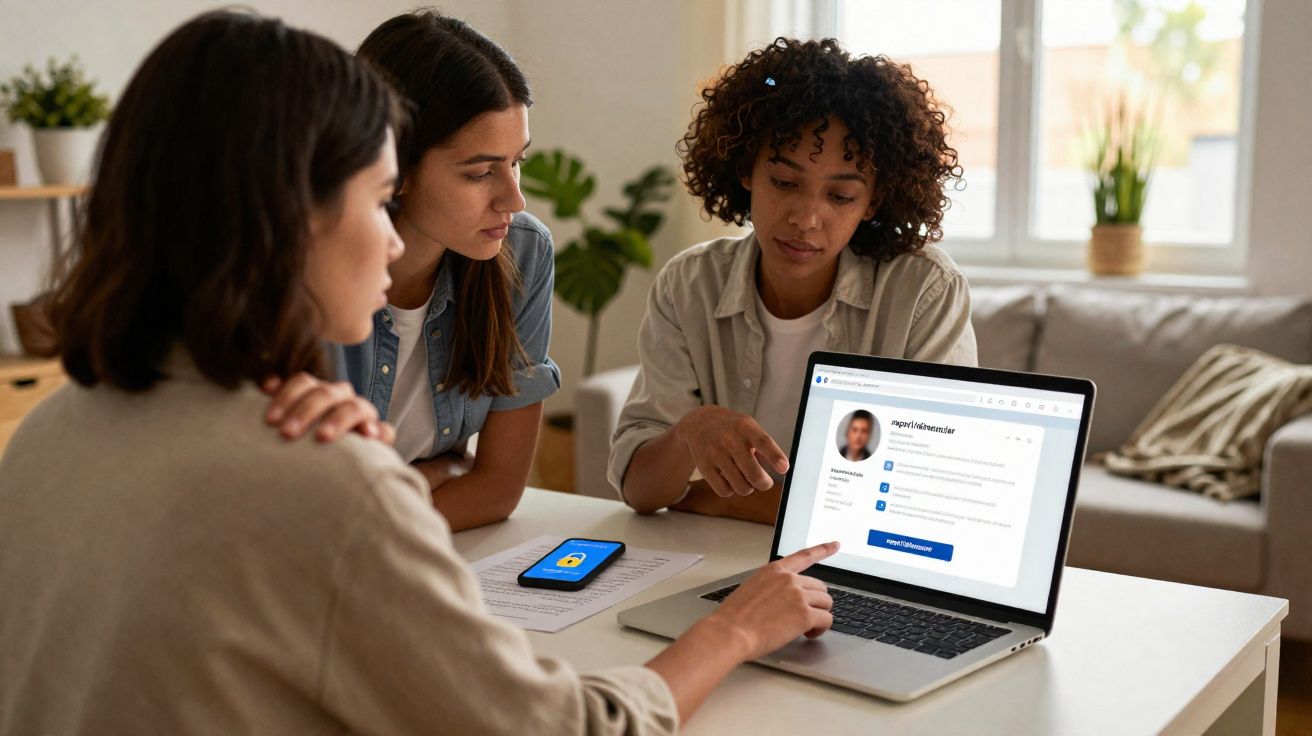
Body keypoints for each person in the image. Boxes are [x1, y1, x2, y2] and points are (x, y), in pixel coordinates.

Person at [0, 12, 838, 733]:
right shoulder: (325, 485)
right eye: (377, 197)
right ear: (289, 219)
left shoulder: (51, 433)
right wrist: (732, 629)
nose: (394, 239)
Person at [611, 38, 978, 524]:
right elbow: (640, 490)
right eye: (785, 183)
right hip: (710, 558)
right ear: (746, 169)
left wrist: (716, 501)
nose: (806, 219)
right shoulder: (690, 284)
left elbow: (917, 500)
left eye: (841, 196)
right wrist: (689, 432)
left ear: (873, 202)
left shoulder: (924, 292)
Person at [268, 10, 559, 532]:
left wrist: (382, 512)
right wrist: (439, 475)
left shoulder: (523, 253)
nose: (513, 198)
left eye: (517, 162)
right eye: (479, 173)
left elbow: (497, 490)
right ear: (393, 165)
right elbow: (301, 517)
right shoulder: (303, 274)